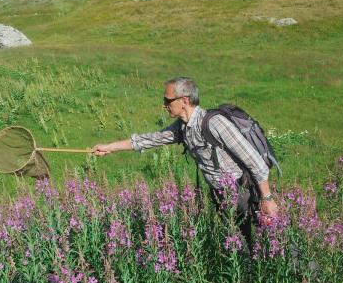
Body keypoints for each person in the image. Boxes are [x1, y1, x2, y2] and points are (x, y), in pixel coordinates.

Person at [91, 77, 278, 248]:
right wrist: (109, 147)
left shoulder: (215, 123)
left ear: (185, 100)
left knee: (269, 240)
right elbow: (149, 139)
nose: (164, 104)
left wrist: (267, 198)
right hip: (221, 195)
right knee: (240, 245)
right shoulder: (183, 127)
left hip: (244, 193)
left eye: (168, 100)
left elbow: (255, 162)